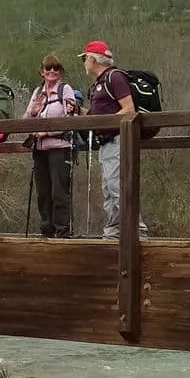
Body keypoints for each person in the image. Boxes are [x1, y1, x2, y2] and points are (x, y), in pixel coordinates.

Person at [80, 41, 147, 239]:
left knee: (118, 187)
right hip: (106, 142)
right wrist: (79, 111)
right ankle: (114, 232)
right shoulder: (100, 83)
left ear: (92, 59)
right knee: (109, 190)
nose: (84, 63)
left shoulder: (114, 77)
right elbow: (96, 114)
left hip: (117, 140)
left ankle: (137, 232)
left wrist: (108, 123)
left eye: (84, 58)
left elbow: (129, 109)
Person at [24, 55, 83, 237]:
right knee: (43, 192)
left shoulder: (65, 90)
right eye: (48, 68)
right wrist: (33, 112)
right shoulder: (37, 93)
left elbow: (70, 119)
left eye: (55, 69)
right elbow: (25, 121)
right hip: (40, 150)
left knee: (59, 191)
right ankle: (47, 228)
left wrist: (47, 132)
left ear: (60, 72)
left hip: (60, 147)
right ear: (41, 72)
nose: (51, 72)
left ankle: (62, 230)